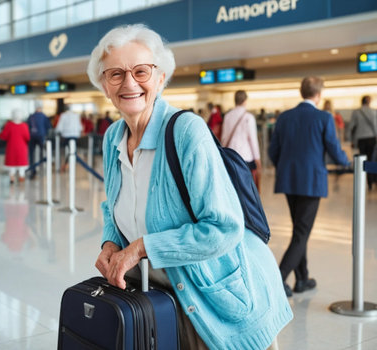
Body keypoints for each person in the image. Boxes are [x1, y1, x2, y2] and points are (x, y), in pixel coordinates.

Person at [87, 23, 292, 350]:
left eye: (141, 71)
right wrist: (110, 243)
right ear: (104, 84)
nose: (129, 83)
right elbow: (112, 205)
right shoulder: (113, 137)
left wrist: (140, 248)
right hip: (163, 299)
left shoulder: (187, 132)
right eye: (116, 74)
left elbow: (223, 228)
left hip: (220, 300)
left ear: (160, 77)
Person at [268, 76, 350, 298]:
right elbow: (333, 147)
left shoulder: (284, 117)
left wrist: (285, 167)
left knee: (299, 230)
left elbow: (273, 151)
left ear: (302, 92)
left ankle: (302, 278)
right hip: (311, 181)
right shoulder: (324, 117)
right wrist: (347, 163)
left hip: (289, 180)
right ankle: (278, 279)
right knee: (302, 233)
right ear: (319, 94)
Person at [221, 90, 262, 191]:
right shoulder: (249, 117)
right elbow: (253, 140)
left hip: (230, 157)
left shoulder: (227, 116)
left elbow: (224, 137)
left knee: (234, 188)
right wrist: (257, 158)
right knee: (246, 189)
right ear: (245, 100)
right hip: (246, 158)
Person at [348, 95, 377, 190]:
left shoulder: (356, 112)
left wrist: (351, 139)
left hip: (361, 139)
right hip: (371, 138)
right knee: (371, 160)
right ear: (368, 102)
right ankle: (371, 181)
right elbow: (375, 126)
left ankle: (364, 182)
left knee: (362, 161)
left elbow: (351, 126)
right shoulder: (373, 112)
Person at [0, 109, 30, 184]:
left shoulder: (9, 125)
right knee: (21, 163)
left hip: (11, 147)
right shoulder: (24, 125)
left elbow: (4, 136)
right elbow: (27, 137)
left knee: (11, 163)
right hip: (22, 147)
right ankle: (21, 177)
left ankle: (12, 178)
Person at [27, 102, 51, 179]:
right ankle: (43, 167)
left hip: (32, 137)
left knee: (31, 154)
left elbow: (27, 126)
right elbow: (48, 127)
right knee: (43, 152)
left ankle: (33, 169)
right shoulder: (44, 116)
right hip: (41, 136)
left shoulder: (31, 116)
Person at [55, 104, 82, 171]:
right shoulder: (76, 115)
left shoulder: (63, 115)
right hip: (75, 135)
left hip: (66, 136)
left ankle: (65, 164)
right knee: (72, 150)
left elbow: (59, 127)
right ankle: (68, 164)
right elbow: (79, 126)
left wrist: (57, 131)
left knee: (68, 151)